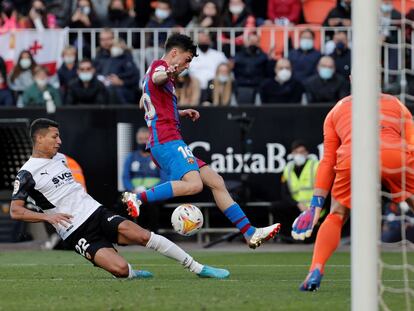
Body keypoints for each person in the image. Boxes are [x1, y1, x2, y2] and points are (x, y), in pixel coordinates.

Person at [10, 118, 229, 279]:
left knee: (144, 236)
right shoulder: (26, 173)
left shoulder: (61, 158)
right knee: (121, 271)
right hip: (75, 231)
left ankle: (198, 268)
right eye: (54, 136)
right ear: (39, 138)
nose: (59, 140)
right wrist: (48, 218)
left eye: (59, 136)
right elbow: (15, 211)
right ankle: (130, 271)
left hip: (96, 212)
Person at [124, 33, 281, 249]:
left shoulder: (151, 71)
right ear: (174, 53)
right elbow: (157, 78)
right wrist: (166, 73)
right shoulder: (160, 69)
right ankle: (137, 198)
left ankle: (250, 232)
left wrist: (179, 111)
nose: (187, 66)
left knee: (216, 181)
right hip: (167, 141)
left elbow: (146, 102)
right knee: (194, 185)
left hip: (168, 140)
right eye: (187, 59)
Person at [291, 93, 414, 291]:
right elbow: (412, 141)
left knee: (337, 214)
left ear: (351, 78)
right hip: (394, 154)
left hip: (353, 156)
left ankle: (316, 268)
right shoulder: (395, 102)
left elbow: (328, 161)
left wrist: (315, 207)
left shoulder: (336, 110)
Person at [273, 141, 319, 237]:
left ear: (307, 153)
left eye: (302, 152)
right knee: (277, 207)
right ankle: (286, 236)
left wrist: (312, 207)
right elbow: (285, 193)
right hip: (297, 206)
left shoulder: (315, 166)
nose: (299, 155)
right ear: (292, 154)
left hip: (314, 207)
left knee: (308, 237)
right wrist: (297, 204)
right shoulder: (288, 168)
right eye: (296, 152)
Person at [122, 127, 163, 193]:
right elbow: (125, 178)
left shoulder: (158, 157)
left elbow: (164, 179)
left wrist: (149, 191)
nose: (143, 142)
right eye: (140, 139)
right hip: (134, 193)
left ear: (151, 139)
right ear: (137, 140)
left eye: (146, 139)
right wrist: (132, 189)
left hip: (154, 194)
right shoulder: (130, 157)